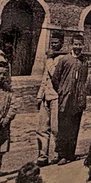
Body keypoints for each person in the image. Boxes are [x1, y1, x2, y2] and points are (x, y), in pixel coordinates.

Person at [50, 35, 90, 163]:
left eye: (80, 45)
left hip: (78, 99)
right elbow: (55, 78)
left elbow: (84, 80)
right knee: (64, 127)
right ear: (71, 45)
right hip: (65, 99)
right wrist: (62, 90)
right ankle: (62, 155)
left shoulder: (84, 62)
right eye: (76, 44)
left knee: (74, 127)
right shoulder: (64, 60)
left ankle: (70, 153)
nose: (78, 47)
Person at [34, 35, 64, 165]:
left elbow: (54, 74)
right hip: (46, 96)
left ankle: (55, 154)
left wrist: (50, 58)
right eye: (51, 42)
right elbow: (45, 78)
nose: (53, 45)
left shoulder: (62, 59)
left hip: (56, 97)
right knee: (42, 128)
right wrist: (39, 96)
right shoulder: (50, 59)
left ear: (61, 44)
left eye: (56, 43)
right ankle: (43, 155)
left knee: (55, 129)